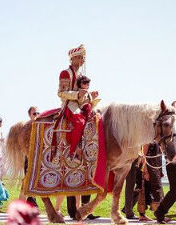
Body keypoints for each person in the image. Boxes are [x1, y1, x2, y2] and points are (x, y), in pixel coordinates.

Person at [57, 45, 99, 220]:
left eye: (83, 58)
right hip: (69, 106)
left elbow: (84, 95)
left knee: (97, 119)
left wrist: (90, 95)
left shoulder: (82, 75)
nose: (82, 61)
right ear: (72, 59)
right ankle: (74, 150)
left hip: (81, 103)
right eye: (79, 58)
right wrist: (78, 94)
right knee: (80, 121)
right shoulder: (65, 73)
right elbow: (61, 93)